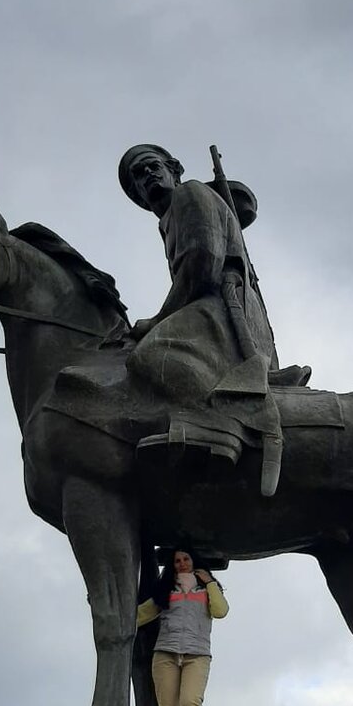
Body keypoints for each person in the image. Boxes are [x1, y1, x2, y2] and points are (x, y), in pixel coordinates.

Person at [118, 143, 310, 495]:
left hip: (224, 306)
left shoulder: (190, 193)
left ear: (173, 169)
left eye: (151, 167)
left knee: (151, 355)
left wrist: (159, 319)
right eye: (138, 177)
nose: (146, 177)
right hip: (213, 303)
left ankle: (222, 429)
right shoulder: (167, 221)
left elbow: (201, 262)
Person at [136, 547, 229, 706]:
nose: (181, 564)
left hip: (197, 655)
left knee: (191, 705)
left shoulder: (207, 590)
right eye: (177, 560)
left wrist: (209, 582)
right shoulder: (166, 589)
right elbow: (141, 614)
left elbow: (220, 611)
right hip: (165, 654)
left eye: (186, 559)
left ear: (194, 560)